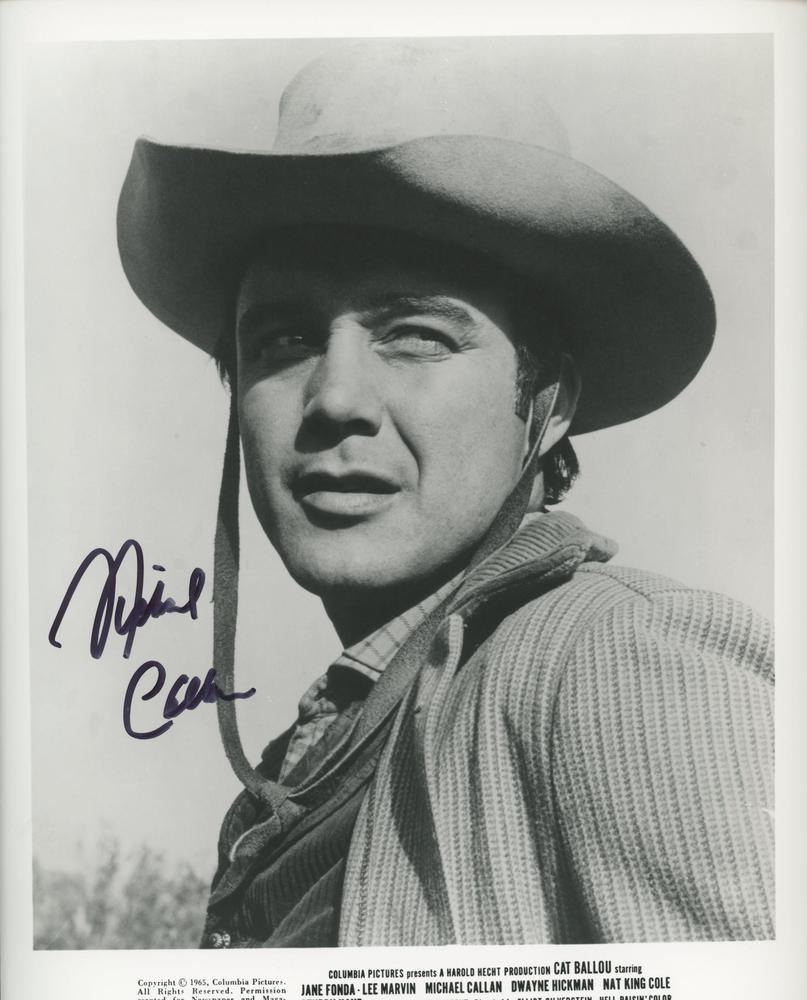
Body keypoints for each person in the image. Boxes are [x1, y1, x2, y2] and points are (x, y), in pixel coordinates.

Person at [117, 41, 773, 946]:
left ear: (548, 403)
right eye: (281, 341)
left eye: (417, 335)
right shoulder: (322, 744)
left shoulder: (611, 663)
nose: (335, 399)